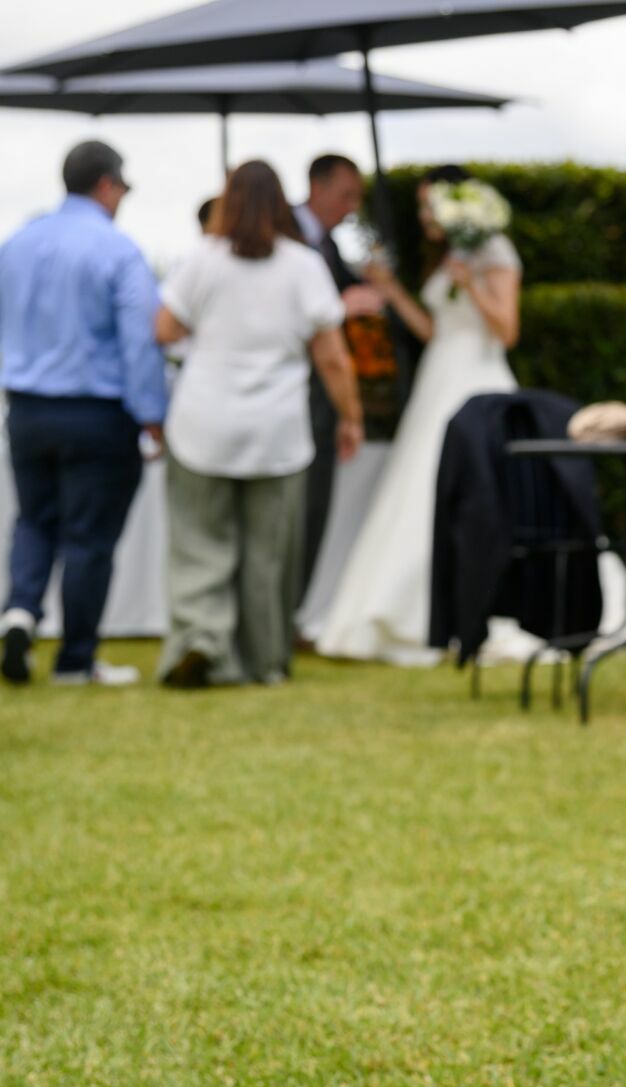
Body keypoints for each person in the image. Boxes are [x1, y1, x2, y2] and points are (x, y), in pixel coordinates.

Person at [154, 159, 364, 689]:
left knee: (200, 542)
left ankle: (201, 640)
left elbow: (165, 327)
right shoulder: (303, 265)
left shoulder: (204, 258)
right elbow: (333, 358)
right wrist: (350, 417)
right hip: (276, 429)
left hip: (203, 420)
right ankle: (265, 660)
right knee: (268, 553)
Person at [315, 166, 522, 665]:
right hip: (439, 377)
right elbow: (434, 330)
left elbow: (507, 330)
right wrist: (390, 291)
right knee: (417, 489)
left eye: (430, 205)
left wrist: (471, 285)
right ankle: (405, 610)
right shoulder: (452, 257)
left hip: (478, 382)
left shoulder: (493, 256)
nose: (424, 214)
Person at [0, 140, 167, 687]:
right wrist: (152, 414)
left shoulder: (17, 243)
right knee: (88, 538)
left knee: (34, 519)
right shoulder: (117, 251)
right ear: (106, 184)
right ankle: (75, 659)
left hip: (26, 408)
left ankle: (20, 611)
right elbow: (140, 342)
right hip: (96, 413)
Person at [293, 154, 385, 602]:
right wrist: (339, 307)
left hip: (320, 402)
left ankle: (288, 614)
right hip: (293, 397)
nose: (351, 207)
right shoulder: (284, 237)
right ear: (317, 186)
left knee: (313, 510)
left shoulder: (330, 248)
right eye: (346, 195)